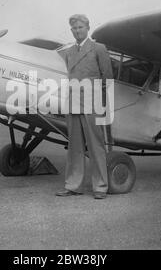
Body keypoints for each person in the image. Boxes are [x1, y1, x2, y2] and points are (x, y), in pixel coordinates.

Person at [56, 14, 114, 199]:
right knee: (74, 146)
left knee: (96, 146)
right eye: (74, 28)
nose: (77, 31)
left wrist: (101, 103)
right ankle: (73, 185)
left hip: (92, 102)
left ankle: (100, 187)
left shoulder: (99, 48)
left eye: (80, 27)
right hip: (73, 102)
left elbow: (107, 78)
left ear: (88, 28)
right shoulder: (69, 52)